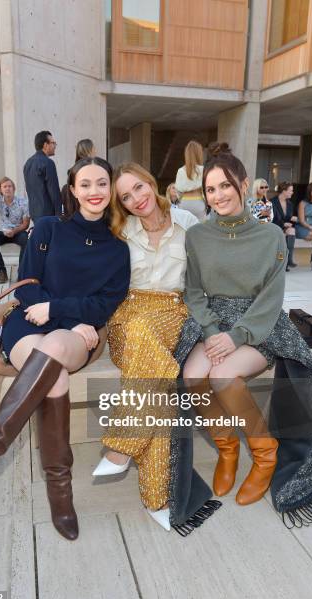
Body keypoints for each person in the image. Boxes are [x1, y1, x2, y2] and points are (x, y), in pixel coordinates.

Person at [0, 157, 131, 542]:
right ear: (72, 190)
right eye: (85, 184)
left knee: (55, 348)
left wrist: (60, 310)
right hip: (28, 321)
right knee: (53, 380)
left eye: (101, 183)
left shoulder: (117, 249)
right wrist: (47, 308)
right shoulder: (50, 228)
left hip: (79, 331)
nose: (94, 191)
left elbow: (105, 304)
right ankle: (61, 492)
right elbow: (27, 283)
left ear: (111, 190)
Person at [174, 142, 312, 526]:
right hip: (212, 323)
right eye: (210, 190)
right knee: (192, 375)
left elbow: (271, 297)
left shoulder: (271, 237)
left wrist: (236, 336)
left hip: (259, 325)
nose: (218, 196)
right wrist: (214, 332)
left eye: (225, 186)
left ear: (244, 185)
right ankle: (228, 450)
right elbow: (193, 292)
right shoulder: (197, 236)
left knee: (223, 375)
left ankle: (265, 454)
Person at [92, 162, 206, 532]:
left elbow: (205, 278)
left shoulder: (188, 223)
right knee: (156, 370)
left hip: (173, 312)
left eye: (138, 188)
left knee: (156, 377)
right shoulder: (121, 230)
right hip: (128, 315)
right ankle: (157, 496)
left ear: (151, 182)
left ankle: (125, 449)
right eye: (125, 196)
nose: (135, 200)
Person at [0, 177, 30, 283]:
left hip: (18, 231)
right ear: (1, 190)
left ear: (14, 189)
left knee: (26, 240)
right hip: (4, 232)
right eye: (5, 186)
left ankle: (22, 273)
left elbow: (26, 224)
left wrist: (14, 231)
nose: (8, 189)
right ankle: (2, 272)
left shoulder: (23, 202)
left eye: (10, 186)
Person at [23, 131, 62, 222]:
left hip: (34, 213)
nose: (55, 146)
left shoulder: (28, 163)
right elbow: (54, 191)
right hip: (48, 214)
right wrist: (59, 215)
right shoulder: (48, 163)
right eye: (53, 143)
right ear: (45, 145)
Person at [175, 140, 205, 221]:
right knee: (200, 229)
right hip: (198, 201)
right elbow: (206, 189)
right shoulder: (203, 170)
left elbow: (177, 190)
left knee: (185, 229)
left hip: (185, 202)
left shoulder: (180, 170)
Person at [271, 182, 297, 271]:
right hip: (274, 226)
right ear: (284, 191)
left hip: (284, 227)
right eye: (291, 190)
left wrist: (291, 219)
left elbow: (287, 217)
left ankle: (288, 259)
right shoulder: (272, 202)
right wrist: (283, 224)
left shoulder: (290, 204)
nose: (292, 192)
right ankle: (283, 262)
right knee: (284, 234)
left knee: (292, 230)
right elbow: (272, 218)